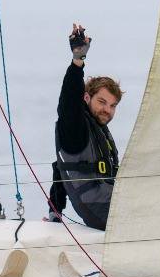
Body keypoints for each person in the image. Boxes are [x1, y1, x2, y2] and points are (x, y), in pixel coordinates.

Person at [50, 24, 122, 230]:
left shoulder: (97, 129)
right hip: (101, 209)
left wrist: (54, 211)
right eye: (102, 102)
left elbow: (60, 167)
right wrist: (77, 61)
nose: (107, 110)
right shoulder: (76, 127)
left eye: (112, 106)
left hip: (113, 202)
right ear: (87, 98)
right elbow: (69, 101)